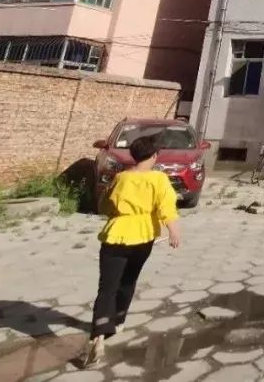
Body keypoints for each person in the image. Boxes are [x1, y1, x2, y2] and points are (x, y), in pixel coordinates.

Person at [83, 135, 181, 368]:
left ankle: (99, 337)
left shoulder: (121, 177)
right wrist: (174, 232)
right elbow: (166, 206)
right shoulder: (159, 179)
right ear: (154, 156)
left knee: (107, 287)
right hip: (143, 236)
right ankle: (118, 321)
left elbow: (105, 204)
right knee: (129, 279)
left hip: (116, 234)